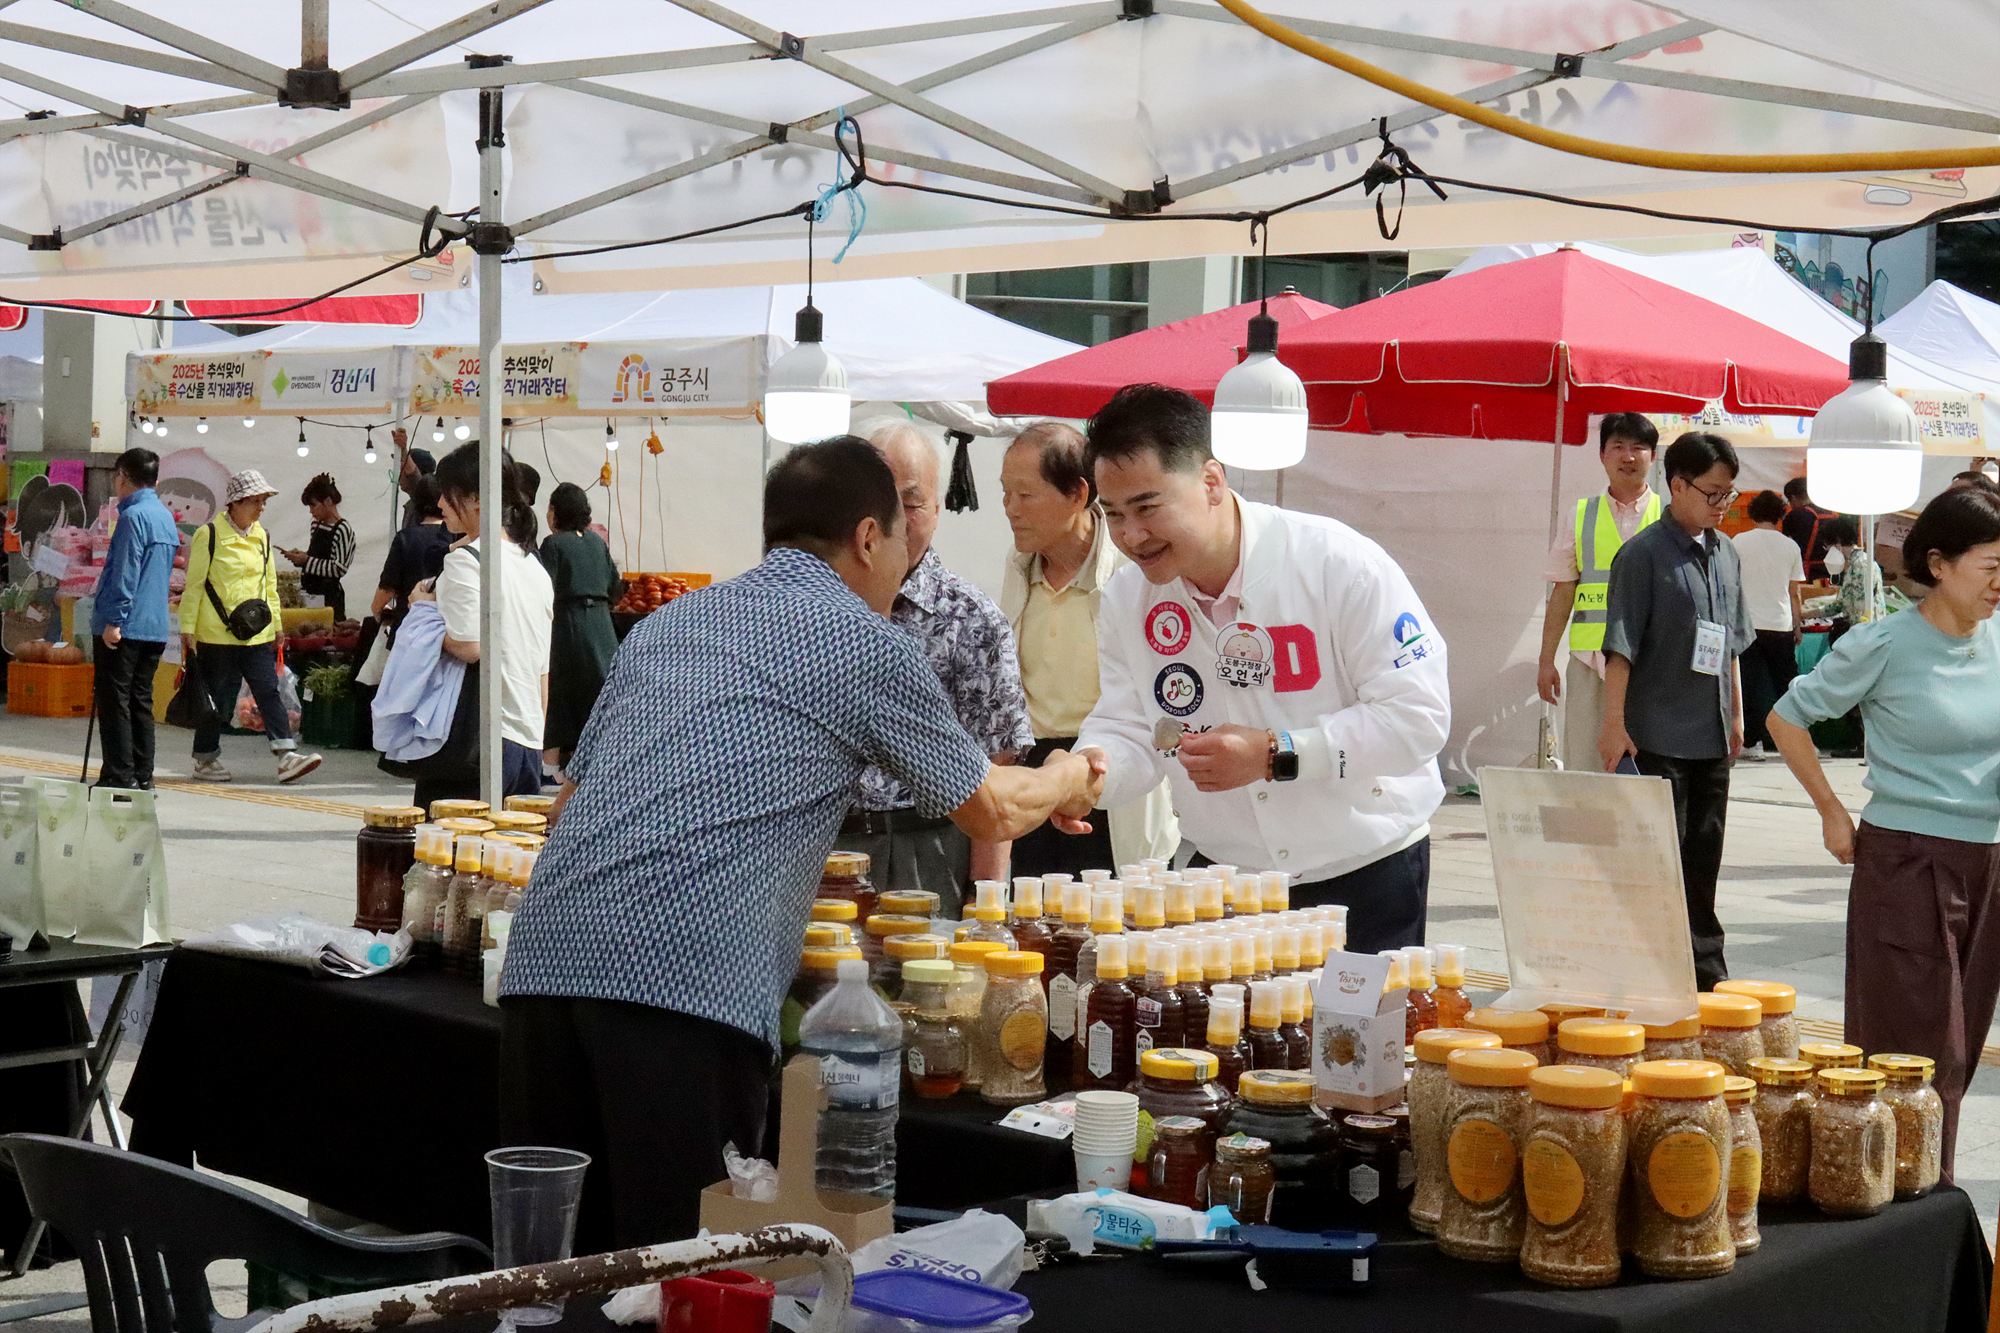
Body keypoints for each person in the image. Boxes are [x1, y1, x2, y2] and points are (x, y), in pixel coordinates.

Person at [498, 435, 1105, 1248]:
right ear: (867, 538)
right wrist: (1068, 774)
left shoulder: (670, 623)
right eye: (901, 539)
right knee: (671, 1266)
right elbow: (991, 806)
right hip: (684, 985)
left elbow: (567, 805)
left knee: (546, 1261)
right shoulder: (866, 644)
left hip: (543, 963)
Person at [1073, 384, 1450, 952]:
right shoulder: (1128, 598)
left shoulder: (1338, 564)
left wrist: (1277, 754)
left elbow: (1417, 719)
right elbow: (1134, 728)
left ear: (1212, 481)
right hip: (1224, 882)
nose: (1130, 536)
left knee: (1361, 1016)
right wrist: (1083, 773)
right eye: (1114, 514)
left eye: (1147, 508)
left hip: (1364, 871)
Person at [1767, 485, 2000, 1181]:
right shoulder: (1885, 643)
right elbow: (1787, 718)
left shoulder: (1997, 640)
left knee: (1962, 1045)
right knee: (1918, 1050)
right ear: (1940, 564)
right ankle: (1900, 1195)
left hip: (1987, 863)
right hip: (1907, 863)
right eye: (1991, 566)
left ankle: (1927, 1188)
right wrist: (1831, 811)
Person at [840, 422, 1032, 913]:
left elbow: (997, 763)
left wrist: (985, 899)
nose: (893, 519)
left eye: (911, 502)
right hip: (825, 846)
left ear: (939, 508)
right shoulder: (818, 606)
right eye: (878, 499)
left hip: (928, 847)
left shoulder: (972, 618)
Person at [1597, 432, 1754, 991]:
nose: (1721, 504)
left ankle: (1706, 972)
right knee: (1658, 863)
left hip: (1711, 733)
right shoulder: (1642, 555)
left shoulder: (1726, 552)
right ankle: (1651, 970)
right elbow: (1620, 648)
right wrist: (1613, 726)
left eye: (1728, 494)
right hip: (1657, 735)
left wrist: (1735, 715)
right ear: (1678, 485)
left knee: (1704, 858)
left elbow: (1731, 643)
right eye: (1713, 493)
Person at [999, 421, 1178, 877]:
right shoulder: (1018, 568)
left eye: (1025, 495)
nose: (1010, 509)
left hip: (1106, 762)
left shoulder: (1132, 573)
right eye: (1005, 493)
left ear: (1079, 494)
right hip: (1034, 771)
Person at [408, 441, 553, 808]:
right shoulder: (533, 566)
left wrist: (422, 610)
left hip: (477, 740)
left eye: (447, 494)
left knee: (449, 844)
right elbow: (542, 669)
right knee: (511, 844)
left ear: (475, 498)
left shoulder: (466, 562)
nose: (440, 504)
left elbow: (470, 646)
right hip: (527, 741)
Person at [1535, 411, 1661, 772]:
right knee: (1586, 762)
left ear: (1653, 456)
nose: (1628, 456)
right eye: (1618, 446)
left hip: (1651, 660)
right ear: (1602, 455)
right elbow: (1563, 591)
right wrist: (1546, 659)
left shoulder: (1669, 514)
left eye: (1638, 447)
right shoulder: (1580, 515)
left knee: (1647, 764)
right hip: (1589, 660)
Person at [180, 470, 323, 784]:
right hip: (216, 633)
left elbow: (269, 585)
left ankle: (286, 755)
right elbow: (195, 586)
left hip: (256, 632)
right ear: (235, 503)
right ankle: (205, 758)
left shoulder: (262, 536)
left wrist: (277, 626)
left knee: (268, 690)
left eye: (264, 501)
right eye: (255, 501)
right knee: (219, 697)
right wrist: (187, 627)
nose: (261, 507)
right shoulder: (209, 534)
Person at [90, 447, 177, 791]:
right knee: (141, 701)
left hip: (125, 626)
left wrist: (114, 620)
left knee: (116, 702)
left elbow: (125, 573)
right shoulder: (165, 517)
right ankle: (143, 774)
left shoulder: (132, 517)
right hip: (154, 626)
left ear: (123, 477)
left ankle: (119, 775)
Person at [538, 482, 621, 765]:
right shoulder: (597, 542)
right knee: (600, 696)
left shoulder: (553, 544)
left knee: (558, 695)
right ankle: (600, 761)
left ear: (555, 512)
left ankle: (550, 764)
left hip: (568, 623)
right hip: (602, 626)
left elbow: (542, 590)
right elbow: (615, 587)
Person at [1733, 489, 1806, 756]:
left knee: (1748, 685)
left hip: (1747, 624)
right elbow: (1794, 592)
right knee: (1786, 684)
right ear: (1780, 515)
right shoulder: (1790, 546)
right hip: (1780, 623)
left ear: (1753, 513)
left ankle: (1752, 743)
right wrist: (1797, 625)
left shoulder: (1738, 542)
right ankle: (1794, 740)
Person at [371, 474, 454, 631]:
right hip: (446, 626)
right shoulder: (457, 537)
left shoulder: (405, 538)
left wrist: (377, 609)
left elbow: (387, 588)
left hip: (408, 625)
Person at [281, 473, 354, 621]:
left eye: (313, 505)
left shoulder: (343, 529)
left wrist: (306, 561)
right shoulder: (316, 525)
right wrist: (301, 557)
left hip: (330, 599)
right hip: (309, 594)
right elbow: (317, 556)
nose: (311, 511)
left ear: (328, 501)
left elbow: (339, 567)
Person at [1781, 476, 1836, 582]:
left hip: (1806, 573)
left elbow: (1786, 546)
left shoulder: (1795, 515)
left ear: (1793, 497)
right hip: (1833, 571)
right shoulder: (1831, 512)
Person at [392, 427, 436, 530]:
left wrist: (403, 451)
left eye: (402, 465)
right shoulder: (415, 504)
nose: (399, 471)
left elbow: (415, 479)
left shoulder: (426, 499)